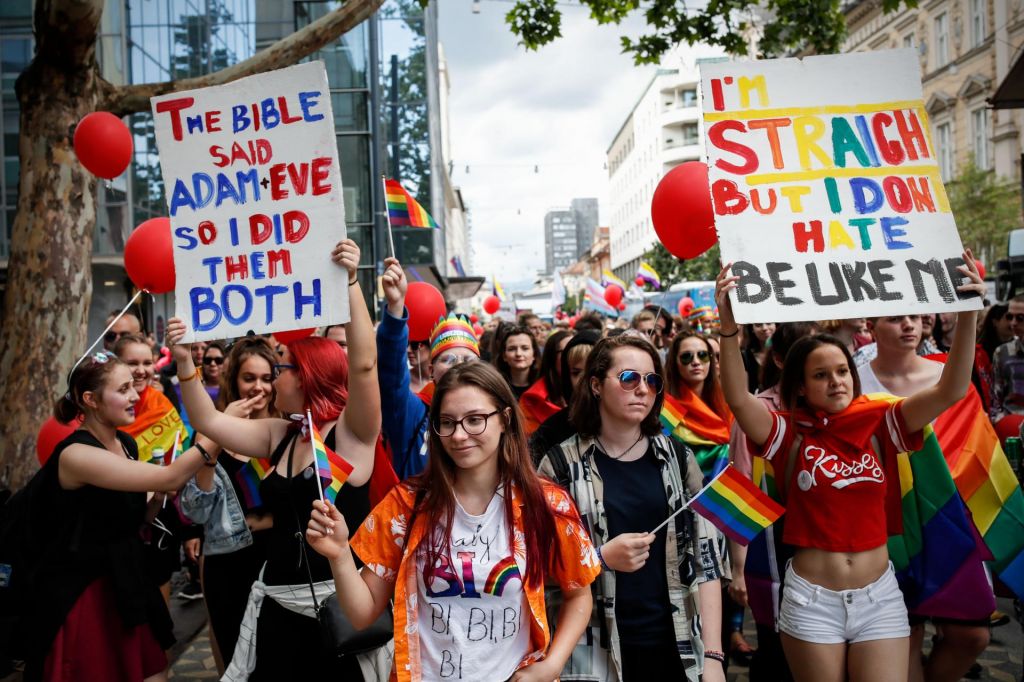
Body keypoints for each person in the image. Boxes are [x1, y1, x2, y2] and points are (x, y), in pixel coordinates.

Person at [715, 252, 984, 682]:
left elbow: (952, 388)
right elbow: (738, 399)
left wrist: (969, 311)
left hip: (880, 597)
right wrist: (728, 329)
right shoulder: (786, 432)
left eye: (842, 371)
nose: (836, 380)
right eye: (821, 375)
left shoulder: (882, 421)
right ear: (800, 387)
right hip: (810, 601)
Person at [168, 238, 383, 680]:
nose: (270, 378)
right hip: (278, 610)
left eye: (280, 366)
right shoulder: (280, 434)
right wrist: (184, 362)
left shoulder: (351, 434)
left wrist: (353, 283)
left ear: (306, 378)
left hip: (340, 612)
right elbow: (207, 419)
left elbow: (363, 366)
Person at [306, 362, 600, 681]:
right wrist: (338, 556)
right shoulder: (406, 505)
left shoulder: (545, 503)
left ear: (505, 419)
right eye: (447, 422)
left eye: (475, 420)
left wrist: (551, 665)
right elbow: (362, 614)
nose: (459, 435)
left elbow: (579, 595)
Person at [17, 351, 222, 681]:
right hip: (84, 593)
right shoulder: (76, 455)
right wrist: (216, 432)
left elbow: (133, 518)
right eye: (124, 389)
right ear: (90, 399)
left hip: (125, 578)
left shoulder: (126, 442)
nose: (136, 395)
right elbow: (170, 477)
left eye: (134, 387)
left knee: (151, 669)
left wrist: (155, 502)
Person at [538, 334, 727, 682]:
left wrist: (713, 656)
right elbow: (542, 565)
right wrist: (600, 558)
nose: (642, 389)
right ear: (595, 385)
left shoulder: (678, 459)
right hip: (595, 653)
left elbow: (706, 560)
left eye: (652, 380)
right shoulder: (559, 465)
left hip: (678, 645)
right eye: (629, 378)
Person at [858, 315, 993, 682]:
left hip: (949, 518)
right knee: (908, 635)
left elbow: (973, 441)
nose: (909, 326)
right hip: (891, 524)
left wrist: (969, 313)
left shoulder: (949, 374)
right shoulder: (853, 381)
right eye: (895, 318)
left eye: (915, 317)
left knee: (973, 634)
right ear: (871, 325)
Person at [179, 337, 278, 674]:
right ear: (234, 379)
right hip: (227, 564)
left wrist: (263, 523)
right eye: (249, 378)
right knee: (234, 657)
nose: (259, 388)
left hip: (276, 561)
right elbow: (196, 511)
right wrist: (216, 441)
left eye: (267, 378)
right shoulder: (210, 434)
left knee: (273, 657)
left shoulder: (289, 432)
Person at [728, 322, 816, 682]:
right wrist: (738, 568)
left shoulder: (835, 408)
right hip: (772, 549)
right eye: (800, 352)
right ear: (778, 359)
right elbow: (741, 490)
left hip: (821, 549)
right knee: (776, 650)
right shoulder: (758, 411)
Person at [376, 256, 480, 480]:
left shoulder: (495, 413)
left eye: (468, 360)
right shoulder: (414, 413)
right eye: (449, 359)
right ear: (431, 370)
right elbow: (392, 374)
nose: (459, 366)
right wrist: (395, 308)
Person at [113, 334, 188, 604]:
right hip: (117, 522)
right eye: (132, 362)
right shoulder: (103, 410)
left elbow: (180, 451)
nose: (142, 370)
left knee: (159, 603)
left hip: (160, 517)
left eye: (148, 362)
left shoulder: (161, 403)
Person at [528, 330, 600, 464]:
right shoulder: (550, 431)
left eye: (591, 370)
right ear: (567, 376)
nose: (583, 379)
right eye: (576, 372)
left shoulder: (625, 421)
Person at [520, 329, 573, 434]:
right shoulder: (532, 399)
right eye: (566, 351)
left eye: (576, 350)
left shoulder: (594, 391)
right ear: (552, 357)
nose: (573, 356)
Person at [990, 294, 1024, 440]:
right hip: (1011, 429)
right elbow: (996, 397)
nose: (1013, 323)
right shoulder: (1001, 353)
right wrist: (1000, 421)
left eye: (1020, 318)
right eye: (1009, 317)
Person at [496, 325, 540, 399]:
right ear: (504, 356)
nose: (518, 354)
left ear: (534, 354)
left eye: (525, 348)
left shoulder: (545, 386)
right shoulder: (495, 387)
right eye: (512, 349)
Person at [741, 323, 775, 394]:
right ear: (752, 329)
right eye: (758, 325)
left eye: (769, 323)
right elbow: (744, 392)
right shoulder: (745, 355)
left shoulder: (786, 351)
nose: (764, 328)